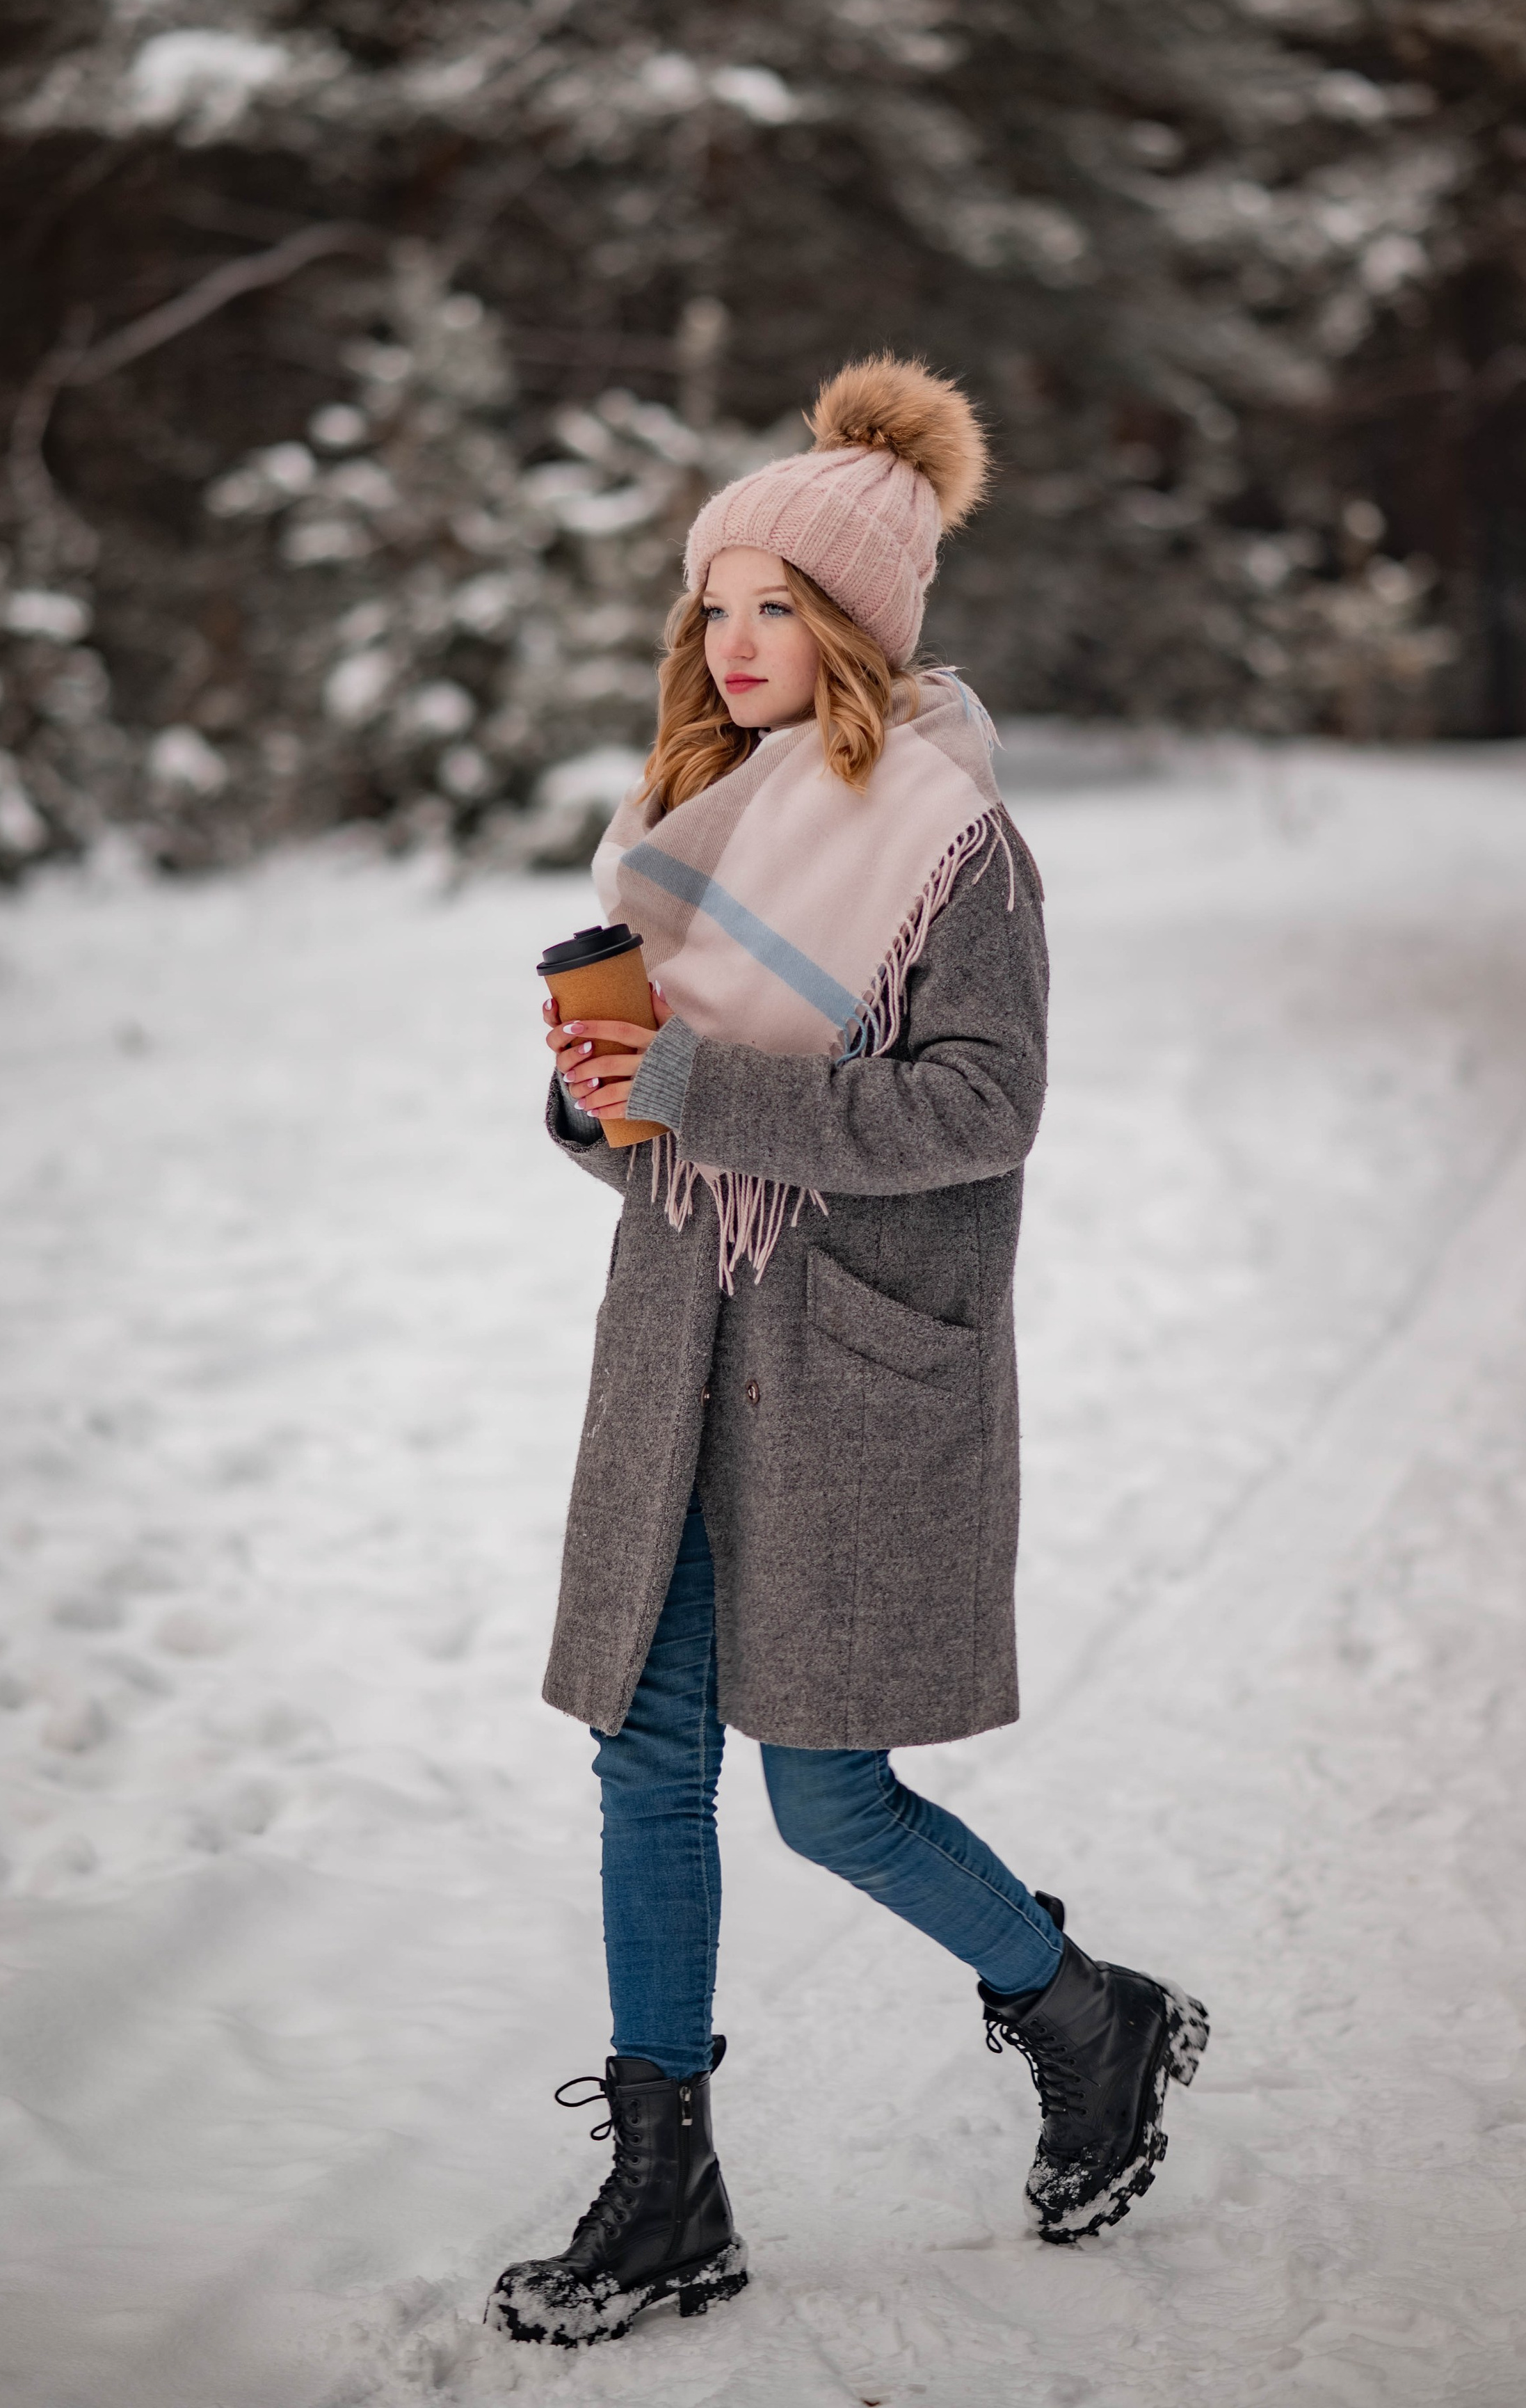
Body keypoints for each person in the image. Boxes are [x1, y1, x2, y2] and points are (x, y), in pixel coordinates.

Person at [486, 358, 1208, 2349]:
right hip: (679, 1341)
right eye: (712, 605)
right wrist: (601, 1095)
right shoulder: (685, 818)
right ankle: (666, 2180)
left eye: (774, 608)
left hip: (854, 1356)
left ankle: (1087, 2010)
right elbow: (670, 1125)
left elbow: (986, 1101)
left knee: (824, 1790)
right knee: (647, 1755)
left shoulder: (953, 842)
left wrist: (702, 1087)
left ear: (859, 627)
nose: (730, 645)